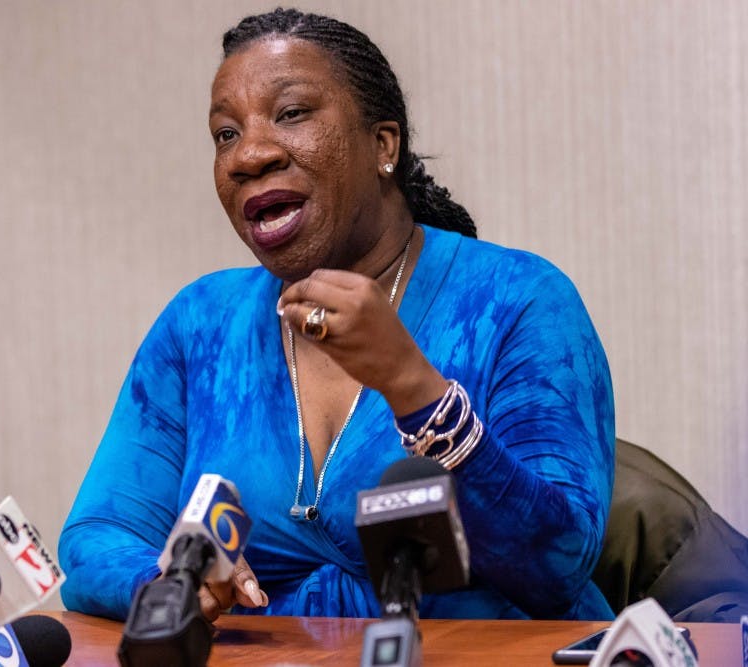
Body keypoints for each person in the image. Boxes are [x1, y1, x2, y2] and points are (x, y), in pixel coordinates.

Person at [59, 8, 615, 622]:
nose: (250, 155)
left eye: (291, 113)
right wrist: (173, 581)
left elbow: (560, 567)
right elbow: (95, 538)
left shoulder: (518, 300)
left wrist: (417, 391)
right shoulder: (201, 326)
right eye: (226, 134)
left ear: (383, 144)